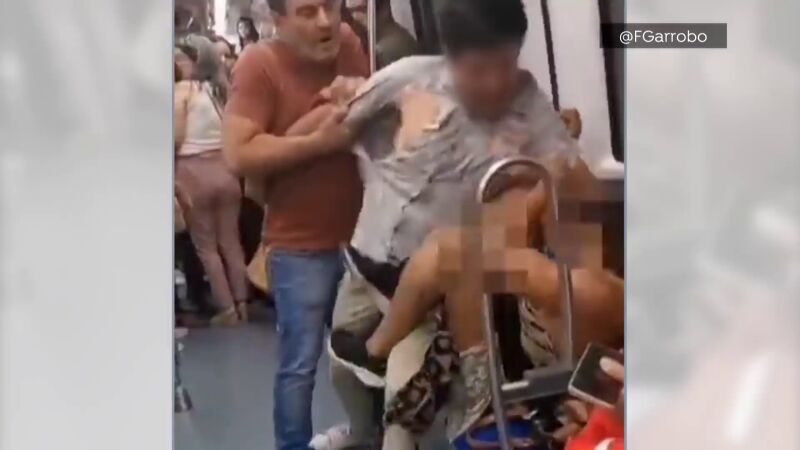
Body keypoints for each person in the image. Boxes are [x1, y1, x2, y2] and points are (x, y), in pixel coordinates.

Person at [320, 0, 583, 447]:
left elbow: (565, 169)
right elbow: (339, 125)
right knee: (344, 373)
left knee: (402, 412)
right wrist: (339, 103)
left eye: (506, 65)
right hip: (367, 267)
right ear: (450, 56)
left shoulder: (527, 103)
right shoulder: (404, 79)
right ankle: (360, 431)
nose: (495, 82)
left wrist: (536, 190)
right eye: (479, 70)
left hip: (432, 285)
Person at [331, 175, 624, 447]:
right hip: (536, 354)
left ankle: (377, 351)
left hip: (552, 385)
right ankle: (389, 334)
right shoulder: (568, 266)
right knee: (459, 249)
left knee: (453, 252)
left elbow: (467, 254)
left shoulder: (587, 290)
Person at [222, 0, 368, 448]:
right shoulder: (258, 65)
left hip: (364, 238)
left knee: (367, 357)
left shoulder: (348, 43)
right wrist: (318, 139)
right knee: (299, 366)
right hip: (299, 245)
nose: (325, 21)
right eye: (307, 11)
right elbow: (239, 154)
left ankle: (372, 434)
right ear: (278, 20)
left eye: (330, 6)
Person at [175, 42, 249, 326]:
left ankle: (226, 308)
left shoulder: (183, 92)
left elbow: (175, 137)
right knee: (231, 242)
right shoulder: (218, 91)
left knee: (206, 246)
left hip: (193, 172)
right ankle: (242, 302)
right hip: (225, 169)